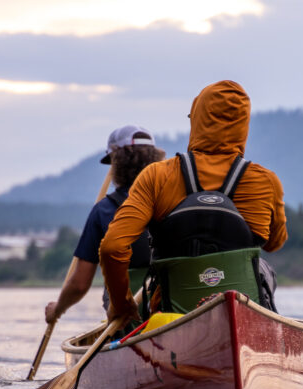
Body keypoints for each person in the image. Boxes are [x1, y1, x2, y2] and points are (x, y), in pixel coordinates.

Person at [99, 80, 287, 324]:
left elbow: (111, 248)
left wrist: (122, 305)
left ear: (196, 120)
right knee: (263, 267)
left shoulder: (156, 177)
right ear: (244, 125)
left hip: (170, 314)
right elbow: (275, 243)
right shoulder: (266, 181)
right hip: (243, 313)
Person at [44, 125, 165, 324]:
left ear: (117, 163)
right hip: (170, 311)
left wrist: (57, 309)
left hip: (128, 323)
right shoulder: (176, 200)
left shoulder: (104, 211)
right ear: (156, 160)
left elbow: (80, 284)